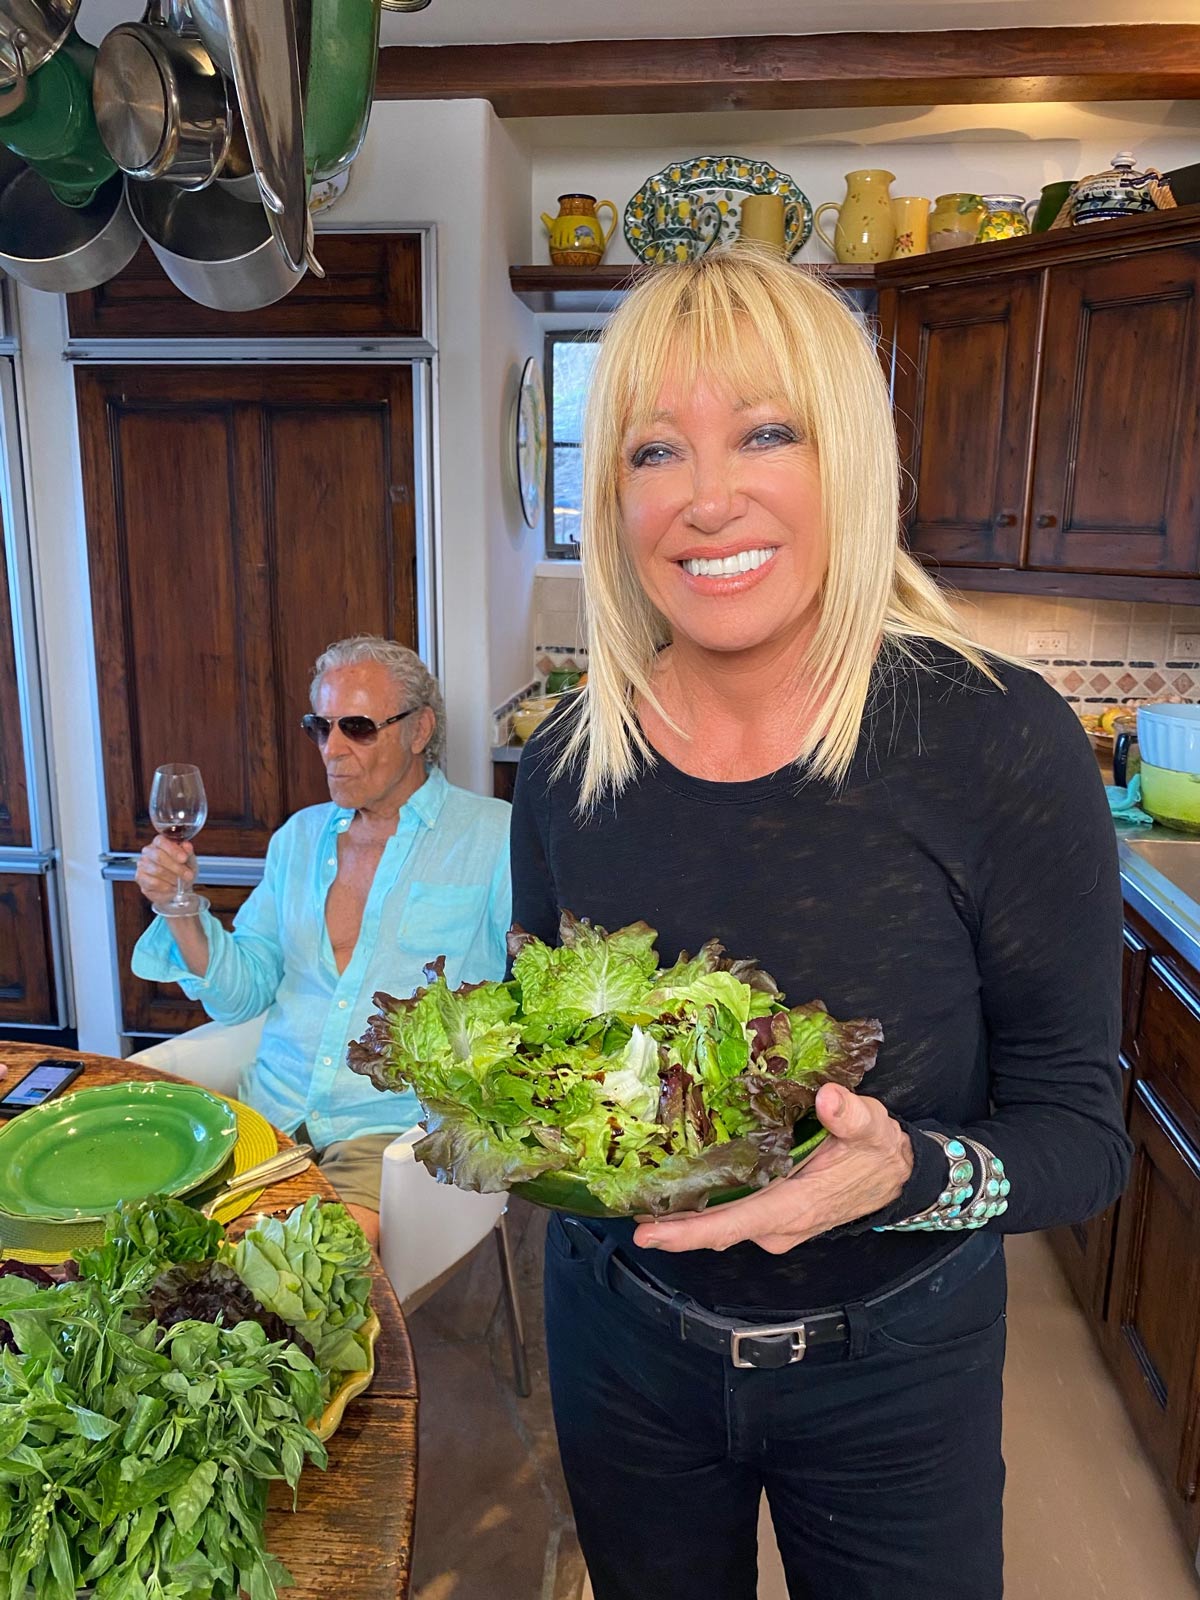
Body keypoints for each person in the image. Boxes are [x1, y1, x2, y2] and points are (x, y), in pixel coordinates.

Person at [510, 248, 1130, 1600]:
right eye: (652, 450)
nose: (707, 496)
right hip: (621, 1343)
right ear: (612, 496)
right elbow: (544, 1067)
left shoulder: (995, 740)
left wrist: (903, 1175)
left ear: (847, 457)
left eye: (765, 432)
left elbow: (1085, 1141)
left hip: (896, 1366)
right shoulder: (567, 767)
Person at [133, 635, 511, 1247]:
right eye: (321, 726)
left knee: (294, 1287)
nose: (332, 750)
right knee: (145, 1251)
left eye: (357, 727)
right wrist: (177, 909)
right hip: (270, 1118)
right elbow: (241, 994)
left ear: (419, 730)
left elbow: (533, 996)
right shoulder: (298, 839)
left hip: (390, 1141)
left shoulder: (496, 839)